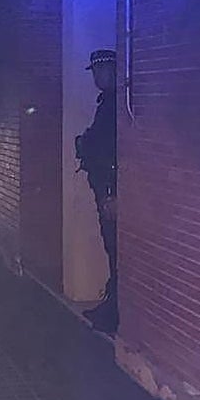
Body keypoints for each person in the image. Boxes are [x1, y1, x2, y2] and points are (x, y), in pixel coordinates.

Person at [74, 48, 119, 334]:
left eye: (102, 71)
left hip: (111, 190)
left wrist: (112, 193)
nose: (98, 77)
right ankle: (111, 304)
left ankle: (115, 312)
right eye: (95, 72)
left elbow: (113, 152)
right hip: (104, 188)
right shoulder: (107, 102)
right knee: (110, 248)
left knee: (117, 250)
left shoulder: (115, 105)